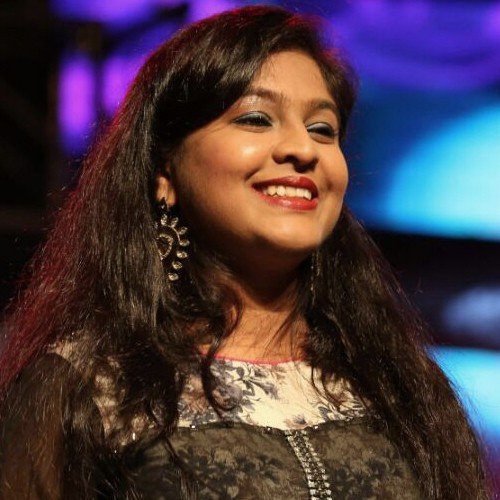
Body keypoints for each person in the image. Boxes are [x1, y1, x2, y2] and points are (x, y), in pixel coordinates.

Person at [0, 5, 488, 499]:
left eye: (323, 129)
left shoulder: (398, 383)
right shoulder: (88, 385)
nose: (303, 149)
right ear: (165, 173)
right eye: (256, 119)